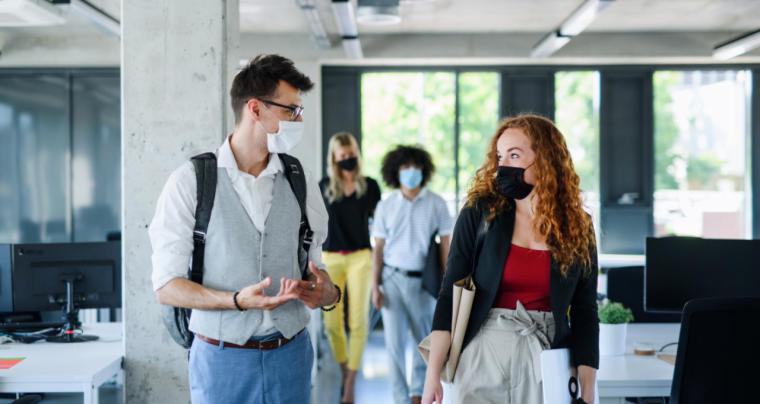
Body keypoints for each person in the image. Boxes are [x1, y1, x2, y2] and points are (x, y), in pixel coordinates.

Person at [149, 54, 340, 404]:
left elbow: (319, 269)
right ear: (255, 108)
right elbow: (166, 286)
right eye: (290, 110)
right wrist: (234, 302)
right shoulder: (191, 182)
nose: (298, 119)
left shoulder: (301, 181)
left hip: (291, 356)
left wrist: (327, 293)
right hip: (221, 359)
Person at [421, 114, 599, 404]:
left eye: (514, 155)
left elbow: (585, 310)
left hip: (547, 359)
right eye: (500, 156)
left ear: (545, 160)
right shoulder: (479, 213)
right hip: (482, 352)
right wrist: (432, 376)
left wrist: (588, 389)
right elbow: (449, 296)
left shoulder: (578, 226)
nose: (503, 165)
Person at [371, 145, 453, 404]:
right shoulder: (386, 206)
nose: (411, 172)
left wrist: (446, 287)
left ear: (424, 171)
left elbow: (446, 247)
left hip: (424, 283)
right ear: (396, 172)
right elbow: (379, 249)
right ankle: (399, 398)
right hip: (392, 280)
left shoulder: (437, 204)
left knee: (423, 342)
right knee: (394, 346)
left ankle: (419, 394)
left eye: (415, 167)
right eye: (405, 167)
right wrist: (376, 286)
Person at [319, 132, 382, 404]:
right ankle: (345, 369)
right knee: (331, 323)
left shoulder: (369, 186)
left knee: (358, 321)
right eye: (342, 156)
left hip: (360, 258)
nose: (348, 159)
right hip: (331, 258)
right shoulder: (324, 187)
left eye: (351, 154)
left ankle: (351, 383)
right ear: (334, 158)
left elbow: (380, 226)